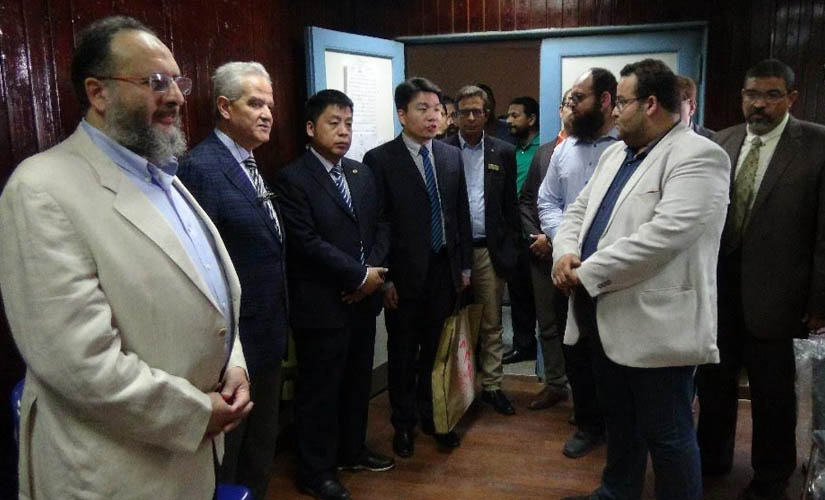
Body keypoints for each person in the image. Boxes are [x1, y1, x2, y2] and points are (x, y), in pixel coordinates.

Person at [0, 16, 251, 500]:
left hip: (186, 459)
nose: (176, 97)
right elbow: (80, 365)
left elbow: (212, 298)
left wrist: (233, 366)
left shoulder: (161, 177)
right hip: (113, 473)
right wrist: (197, 413)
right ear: (98, 93)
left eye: (178, 81)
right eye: (156, 82)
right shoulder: (41, 190)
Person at [553, 59, 730, 500]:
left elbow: (664, 237)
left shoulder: (699, 155)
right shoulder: (616, 153)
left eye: (623, 101)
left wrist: (585, 273)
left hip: (657, 323)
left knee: (667, 434)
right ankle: (617, 491)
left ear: (650, 104)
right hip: (602, 314)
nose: (614, 111)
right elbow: (578, 211)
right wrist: (564, 253)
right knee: (621, 421)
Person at [696, 58, 825, 500]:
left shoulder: (816, 144)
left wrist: (819, 301)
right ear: (742, 96)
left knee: (773, 395)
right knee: (714, 383)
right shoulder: (723, 141)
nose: (760, 104)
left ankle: (771, 478)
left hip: (781, 294)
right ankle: (711, 459)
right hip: (718, 290)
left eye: (772, 95)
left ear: (791, 98)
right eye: (752, 94)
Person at [275, 89, 393, 500]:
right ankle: (315, 470)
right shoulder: (292, 178)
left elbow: (381, 226)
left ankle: (352, 450)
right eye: (334, 123)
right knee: (320, 392)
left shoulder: (360, 173)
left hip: (362, 301)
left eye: (348, 124)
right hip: (323, 304)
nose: (344, 132)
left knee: (357, 383)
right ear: (311, 128)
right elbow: (305, 242)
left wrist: (371, 277)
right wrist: (358, 276)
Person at [177, 61, 286, 500]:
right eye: (255, 104)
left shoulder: (249, 163)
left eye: (269, 105)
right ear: (224, 107)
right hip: (231, 345)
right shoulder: (202, 167)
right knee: (230, 459)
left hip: (268, 333)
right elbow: (201, 267)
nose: (267, 114)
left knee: (260, 450)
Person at [363, 77, 472, 458]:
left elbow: (460, 215)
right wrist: (385, 279)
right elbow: (378, 223)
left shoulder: (450, 155)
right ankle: (403, 424)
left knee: (437, 352)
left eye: (437, 110)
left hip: (444, 270)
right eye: (422, 109)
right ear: (402, 114)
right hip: (403, 276)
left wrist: (465, 268)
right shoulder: (380, 159)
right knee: (403, 352)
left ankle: (435, 417)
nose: (432, 117)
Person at [538, 68, 619, 457]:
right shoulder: (564, 149)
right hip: (566, 269)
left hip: (613, 271)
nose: (570, 105)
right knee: (575, 349)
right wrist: (563, 246)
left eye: (578, 98)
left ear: (605, 100)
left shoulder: (627, 148)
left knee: (612, 351)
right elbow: (548, 201)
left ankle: (619, 426)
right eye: (570, 98)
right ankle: (588, 424)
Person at [443, 85, 521, 416]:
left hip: (489, 250)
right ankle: (457, 389)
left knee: (491, 322)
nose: (471, 117)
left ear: (487, 114)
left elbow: (510, 206)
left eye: (478, 111)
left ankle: (492, 386)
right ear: (455, 116)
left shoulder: (503, 152)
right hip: (451, 253)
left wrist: (511, 248)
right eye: (465, 112)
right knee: (454, 322)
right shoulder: (442, 150)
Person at [519, 89, 572, 410]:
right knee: (548, 324)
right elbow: (527, 200)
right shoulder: (544, 153)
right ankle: (555, 384)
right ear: (560, 110)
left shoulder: (604, 152)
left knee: (580, 326)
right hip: (541, 254)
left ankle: (586, 396)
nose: (571, 110)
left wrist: (556, 240)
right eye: (567, 104)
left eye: (578, 103)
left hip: (578, 255)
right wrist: (536, 236)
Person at [502, 95, 541, 365]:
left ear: (532, 119)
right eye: (508, 115)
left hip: (538, 233)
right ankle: (523, 344)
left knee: (542, 296)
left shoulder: (544, 148)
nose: (509, 121)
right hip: (513, 234)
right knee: (519, 293)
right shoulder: (510, 151)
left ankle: (547, 354)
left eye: (515, 115)